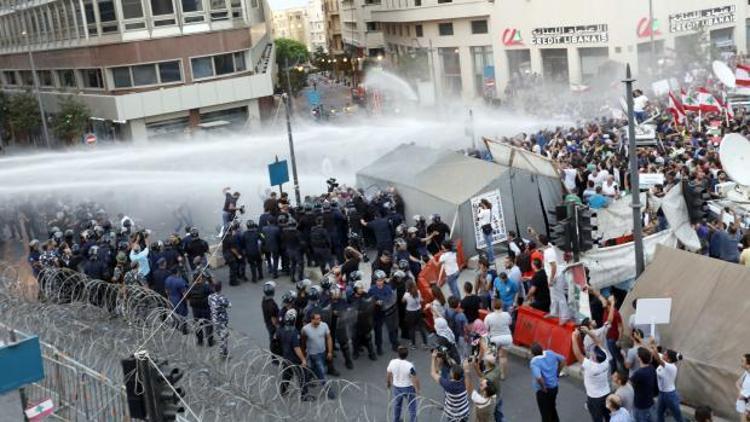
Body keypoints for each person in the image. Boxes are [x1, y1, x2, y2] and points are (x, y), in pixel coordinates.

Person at [571, 328, 611, 422]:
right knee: (607, 415)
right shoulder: (606, 359)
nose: (592, 353)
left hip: (595, 398)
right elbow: (598, 341)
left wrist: (574, 337)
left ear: (595, 358)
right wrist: (588, 332)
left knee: (597, 418)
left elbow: (577, 354)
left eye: (593, 353)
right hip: (606, 393)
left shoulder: (591, 366)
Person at [277, 309, 313, 401]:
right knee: (302, 376)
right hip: (295, 359)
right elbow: (297, 348)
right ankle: (304, 395)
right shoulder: (294, 333)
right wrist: (303, 359)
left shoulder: (281, 330)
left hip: (286, 357)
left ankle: (282, 391)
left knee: (286, 375)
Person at [301, 311, 336, 399]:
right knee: (321, 372)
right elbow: (302, 343)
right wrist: (303, 357)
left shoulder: (324, 326)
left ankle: (307, 382)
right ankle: (329, 390)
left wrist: (330, 352)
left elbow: (329, 338)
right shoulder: (305, 329)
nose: (318, 321)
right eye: (316, 319)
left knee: (315, 369)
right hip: (312, 354)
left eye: (319, 319)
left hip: (322, 353)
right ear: (311, 320)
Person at [530, 342, 565, 422]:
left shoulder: (534, 362)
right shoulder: (550, 353)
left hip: (543, 391)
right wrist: (558, 372)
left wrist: (543, 387)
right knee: (552, 407)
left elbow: (539, 377)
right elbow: (562, 360)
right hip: (554, 387)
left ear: (532, 353)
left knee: (544, 412)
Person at [431, 351, 471, 422]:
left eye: (450, 371)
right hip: (464, 413)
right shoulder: (464, 382)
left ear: (452, 375)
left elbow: (433, 373)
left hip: (452, 415)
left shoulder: (447, 384)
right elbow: (463, 373)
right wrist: (466, 369)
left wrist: (433, 358)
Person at [387, 345, 420, 422]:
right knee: (412, 407)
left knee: (397, 405)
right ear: (407, 355)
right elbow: (415, 378)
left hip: (397, 387)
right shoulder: (410, 365)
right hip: (408, 388)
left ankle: (396, 420)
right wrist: (417, 389)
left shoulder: (392, 362)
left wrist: (388, 383)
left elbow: (388, 373)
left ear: (398, 354)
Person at [369, 270, 399, 354]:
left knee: (391, 328)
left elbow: (391, 299)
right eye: (378, 280)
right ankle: (379, 347)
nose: (380, 282)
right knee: (378, 330)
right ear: (375, 280)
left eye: (382, 280)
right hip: (377, 312)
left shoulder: (388, 288)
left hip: (387, 311)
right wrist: (375, 302)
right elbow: (369, 300)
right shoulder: (372, 289)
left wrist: (385, 302)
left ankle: (394, 344)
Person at [651, 346, 684, 422]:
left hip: (670, 395)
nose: (663, 355)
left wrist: (654, 346)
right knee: (659, 413)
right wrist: (640, 340)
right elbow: (652, 352)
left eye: (665, 354)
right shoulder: (665, 360)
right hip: (662, 393)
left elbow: (657, 358)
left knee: (677, 415)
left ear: (669, 359)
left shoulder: (671, 367)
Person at [485, 299, 512, 379]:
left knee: (491, 356)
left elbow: (486, 328)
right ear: (502, 306)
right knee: (503, 357)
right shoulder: (507, 314)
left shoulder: (489, 317)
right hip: (506, 338)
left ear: (493, 306)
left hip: (494, 338)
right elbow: (509, 323)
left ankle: (491, 373)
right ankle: (502, 374)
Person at [630, 347, 658, 422]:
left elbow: (630, 383)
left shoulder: (639, 373)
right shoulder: (652, 368)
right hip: (650, 401)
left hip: (640, 405)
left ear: (639, 358)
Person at [187, 273, 214, 347]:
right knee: (208, 324)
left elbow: (187, 296)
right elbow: (212, 294)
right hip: (205, 308)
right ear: (201, 279)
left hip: (195, 309)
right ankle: (210, 341)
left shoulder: (191, 287)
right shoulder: (205, 286)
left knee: (198, 325)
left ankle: (200, 340)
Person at [402, 280, 428, 349]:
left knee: (411, 329)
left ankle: (413, 344)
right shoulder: (418, 292)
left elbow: (403, 301)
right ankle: (425, 343)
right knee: (421, 328)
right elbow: (421, 300)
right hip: (418, 311)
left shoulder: (406, 295)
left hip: (410, 313)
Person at [208, 281, 231, 358]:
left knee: (220, 334)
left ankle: (223, 351)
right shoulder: (222, 298)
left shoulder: (210, 297)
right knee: (223, 336)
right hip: (222, 319)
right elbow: (229, 305)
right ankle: (223, 352)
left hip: (214, 318)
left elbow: (209, 304)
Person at [477, 199, 495, 266]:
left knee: (488, 245)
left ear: (483, 204)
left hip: (485, 228)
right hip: (489, 228)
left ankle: (491, 259)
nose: (480, 204)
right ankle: (492, 258)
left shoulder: (483, 211)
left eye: (481, 203)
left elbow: (478, 216)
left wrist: (479, 209)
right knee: (490, 245)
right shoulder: (489, 210)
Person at [738, 354, 750, 421]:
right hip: (744, 406)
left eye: (742, 361)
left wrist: (743, 395)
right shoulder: (746, 373)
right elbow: (737, 383)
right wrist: (741, 391)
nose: (741, 363)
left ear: (748, 365)